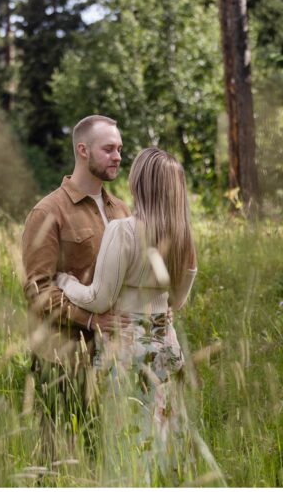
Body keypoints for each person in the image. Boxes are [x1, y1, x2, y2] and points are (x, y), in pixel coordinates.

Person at [54, 147, 198, 471]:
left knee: (128, 446)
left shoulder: (123, 231)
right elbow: (177, 301)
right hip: (167, 348)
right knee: (166, 440)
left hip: (127, 352)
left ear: (139, 185)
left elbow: (98, 300)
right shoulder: (184, 237)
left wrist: (64, 281)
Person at [21, 115, 130, 457]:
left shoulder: (122, 210)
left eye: (120, 149)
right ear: (83, 150)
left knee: (108, 457)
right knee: (59, 462)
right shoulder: (48, 212)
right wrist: (91, 320)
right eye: (109, 149)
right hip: (63, 361)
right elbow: (37, 289)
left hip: (117, 360)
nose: (118, 156)